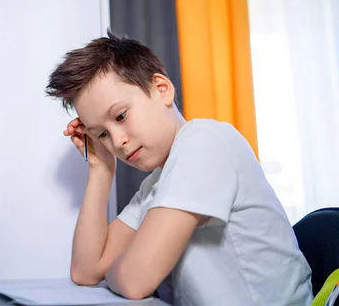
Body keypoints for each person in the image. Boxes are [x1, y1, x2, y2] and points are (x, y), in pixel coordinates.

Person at [44, 31, 313, 306]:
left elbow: (135, 280)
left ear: (161, 89)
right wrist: (101, 169)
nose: (117, 141)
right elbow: (86, 271)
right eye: (102, 134)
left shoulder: (205, 141)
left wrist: (118, 271)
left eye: (121, 116)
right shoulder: (156, 185)